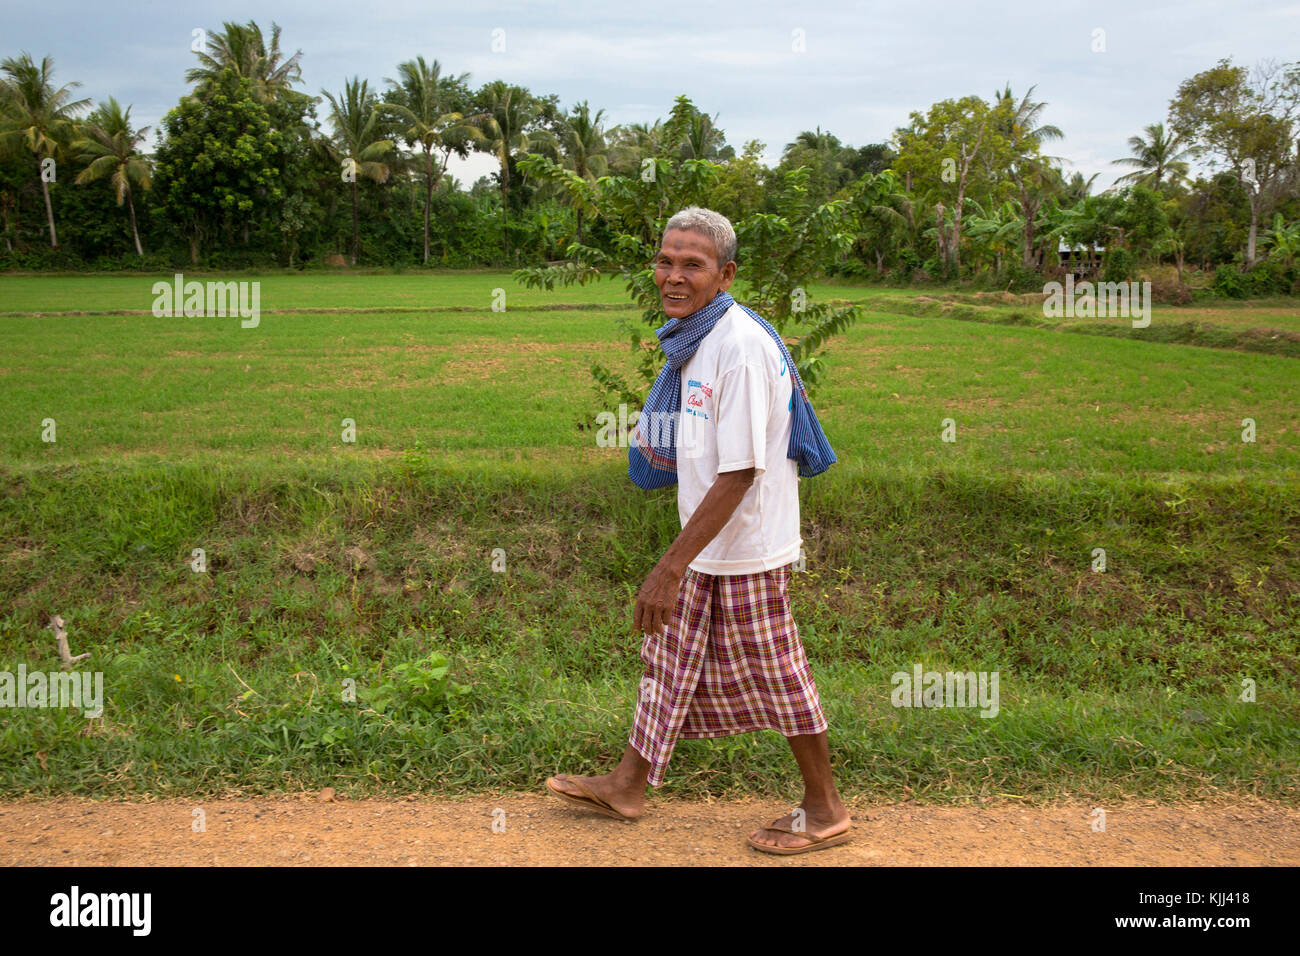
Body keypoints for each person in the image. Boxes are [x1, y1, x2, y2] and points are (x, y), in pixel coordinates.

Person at [546, 206, 850, 854]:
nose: (674, 276)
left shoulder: (736, 348)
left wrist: (667, 566)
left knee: (778, 672)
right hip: (708, 543)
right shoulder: (694, 341)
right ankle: (628, 784)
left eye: (693, 264)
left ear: (725, 274)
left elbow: (740, 473)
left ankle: (825, 810)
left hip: (746, 546)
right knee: (667, 659)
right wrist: (683, 558)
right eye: (666, 260)